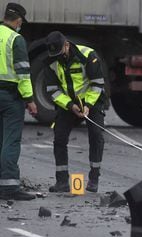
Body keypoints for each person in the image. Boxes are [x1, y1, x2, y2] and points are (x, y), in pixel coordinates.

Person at [44, 31, 106, 193]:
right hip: (68, 103)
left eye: (59, 52)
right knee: (59, 137)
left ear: (67, 45)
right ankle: (62, 181)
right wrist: (70, 105)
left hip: (92, 100)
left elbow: (97, 84)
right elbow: (52, 91)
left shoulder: (88, 55)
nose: (57, 56)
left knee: (96, 135)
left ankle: (94, 178)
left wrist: (88, 105)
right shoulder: (51, 60)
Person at [0, 3, 37, 201]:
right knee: (11, 140)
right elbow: (23, 73)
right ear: (19, 20)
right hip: (10, 96)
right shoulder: (16, 39)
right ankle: (9, 187)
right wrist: (29, 100)